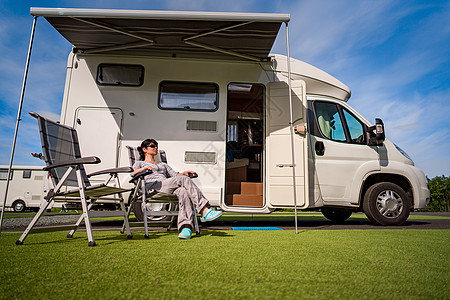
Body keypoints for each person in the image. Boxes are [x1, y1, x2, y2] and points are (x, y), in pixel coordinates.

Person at [132, 138, 222, 239]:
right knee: (183, 180)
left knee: (183, 191)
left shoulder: (163, 165)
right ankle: (204, 209)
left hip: (165, 186)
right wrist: (144, 169)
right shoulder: (140, 163)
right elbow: (133, 173)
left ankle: (186, 227)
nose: (155, 148)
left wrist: (184, 173)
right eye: (152, 146)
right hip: (152, 186)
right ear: (144, 149)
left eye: (156, 146)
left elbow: (175, 175)